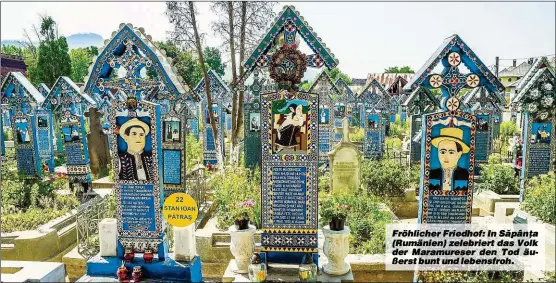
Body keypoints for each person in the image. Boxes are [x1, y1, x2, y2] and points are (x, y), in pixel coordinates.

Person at [428, 127, 470, 192]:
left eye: (451, 152)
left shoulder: (464, 174)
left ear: (459, 154)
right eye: (442, 152)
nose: (446, 157)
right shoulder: (432, 174)